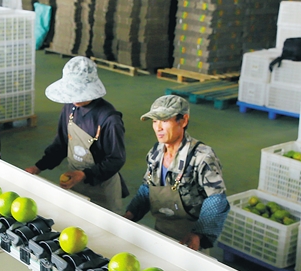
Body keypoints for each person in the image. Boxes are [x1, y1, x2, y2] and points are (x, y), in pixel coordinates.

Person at [124, 95, 230, 252]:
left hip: (190, 239)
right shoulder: (156, 153)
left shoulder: (201, 157)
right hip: (161, 231)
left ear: (184, 120)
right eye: (155, 121)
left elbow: (217, 199)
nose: (158, 127)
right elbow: (147, 188)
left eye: (164, 120)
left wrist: (198, 235)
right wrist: (129, 215)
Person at [25, 56, 127, 214]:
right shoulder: (70, 108)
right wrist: (39, 166)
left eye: (79, 92)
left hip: (102, 189)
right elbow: (61, 143)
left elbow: (116, 159)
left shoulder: (109, 119)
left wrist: (84, 174)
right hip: (75, 182)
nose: (74, 98)